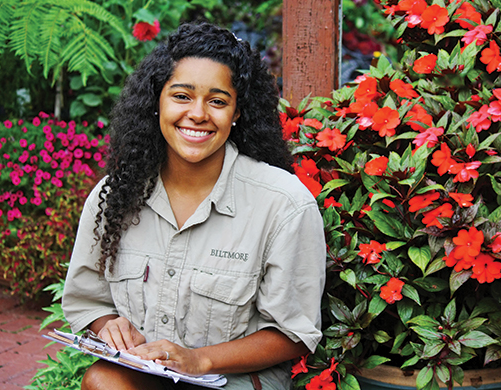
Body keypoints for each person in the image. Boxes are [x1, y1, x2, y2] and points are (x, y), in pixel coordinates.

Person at [62, 22, 326, 390]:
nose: (198, 113)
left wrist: (199, 359)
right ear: (157, 101)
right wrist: (108, 325)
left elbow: (293, 333)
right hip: (146, 376)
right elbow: (87, 298)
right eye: (181, 96)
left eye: (217, 101)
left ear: (237, 112)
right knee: (102, 380)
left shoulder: (283, 204)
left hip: (234, 381)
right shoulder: (117, 194)